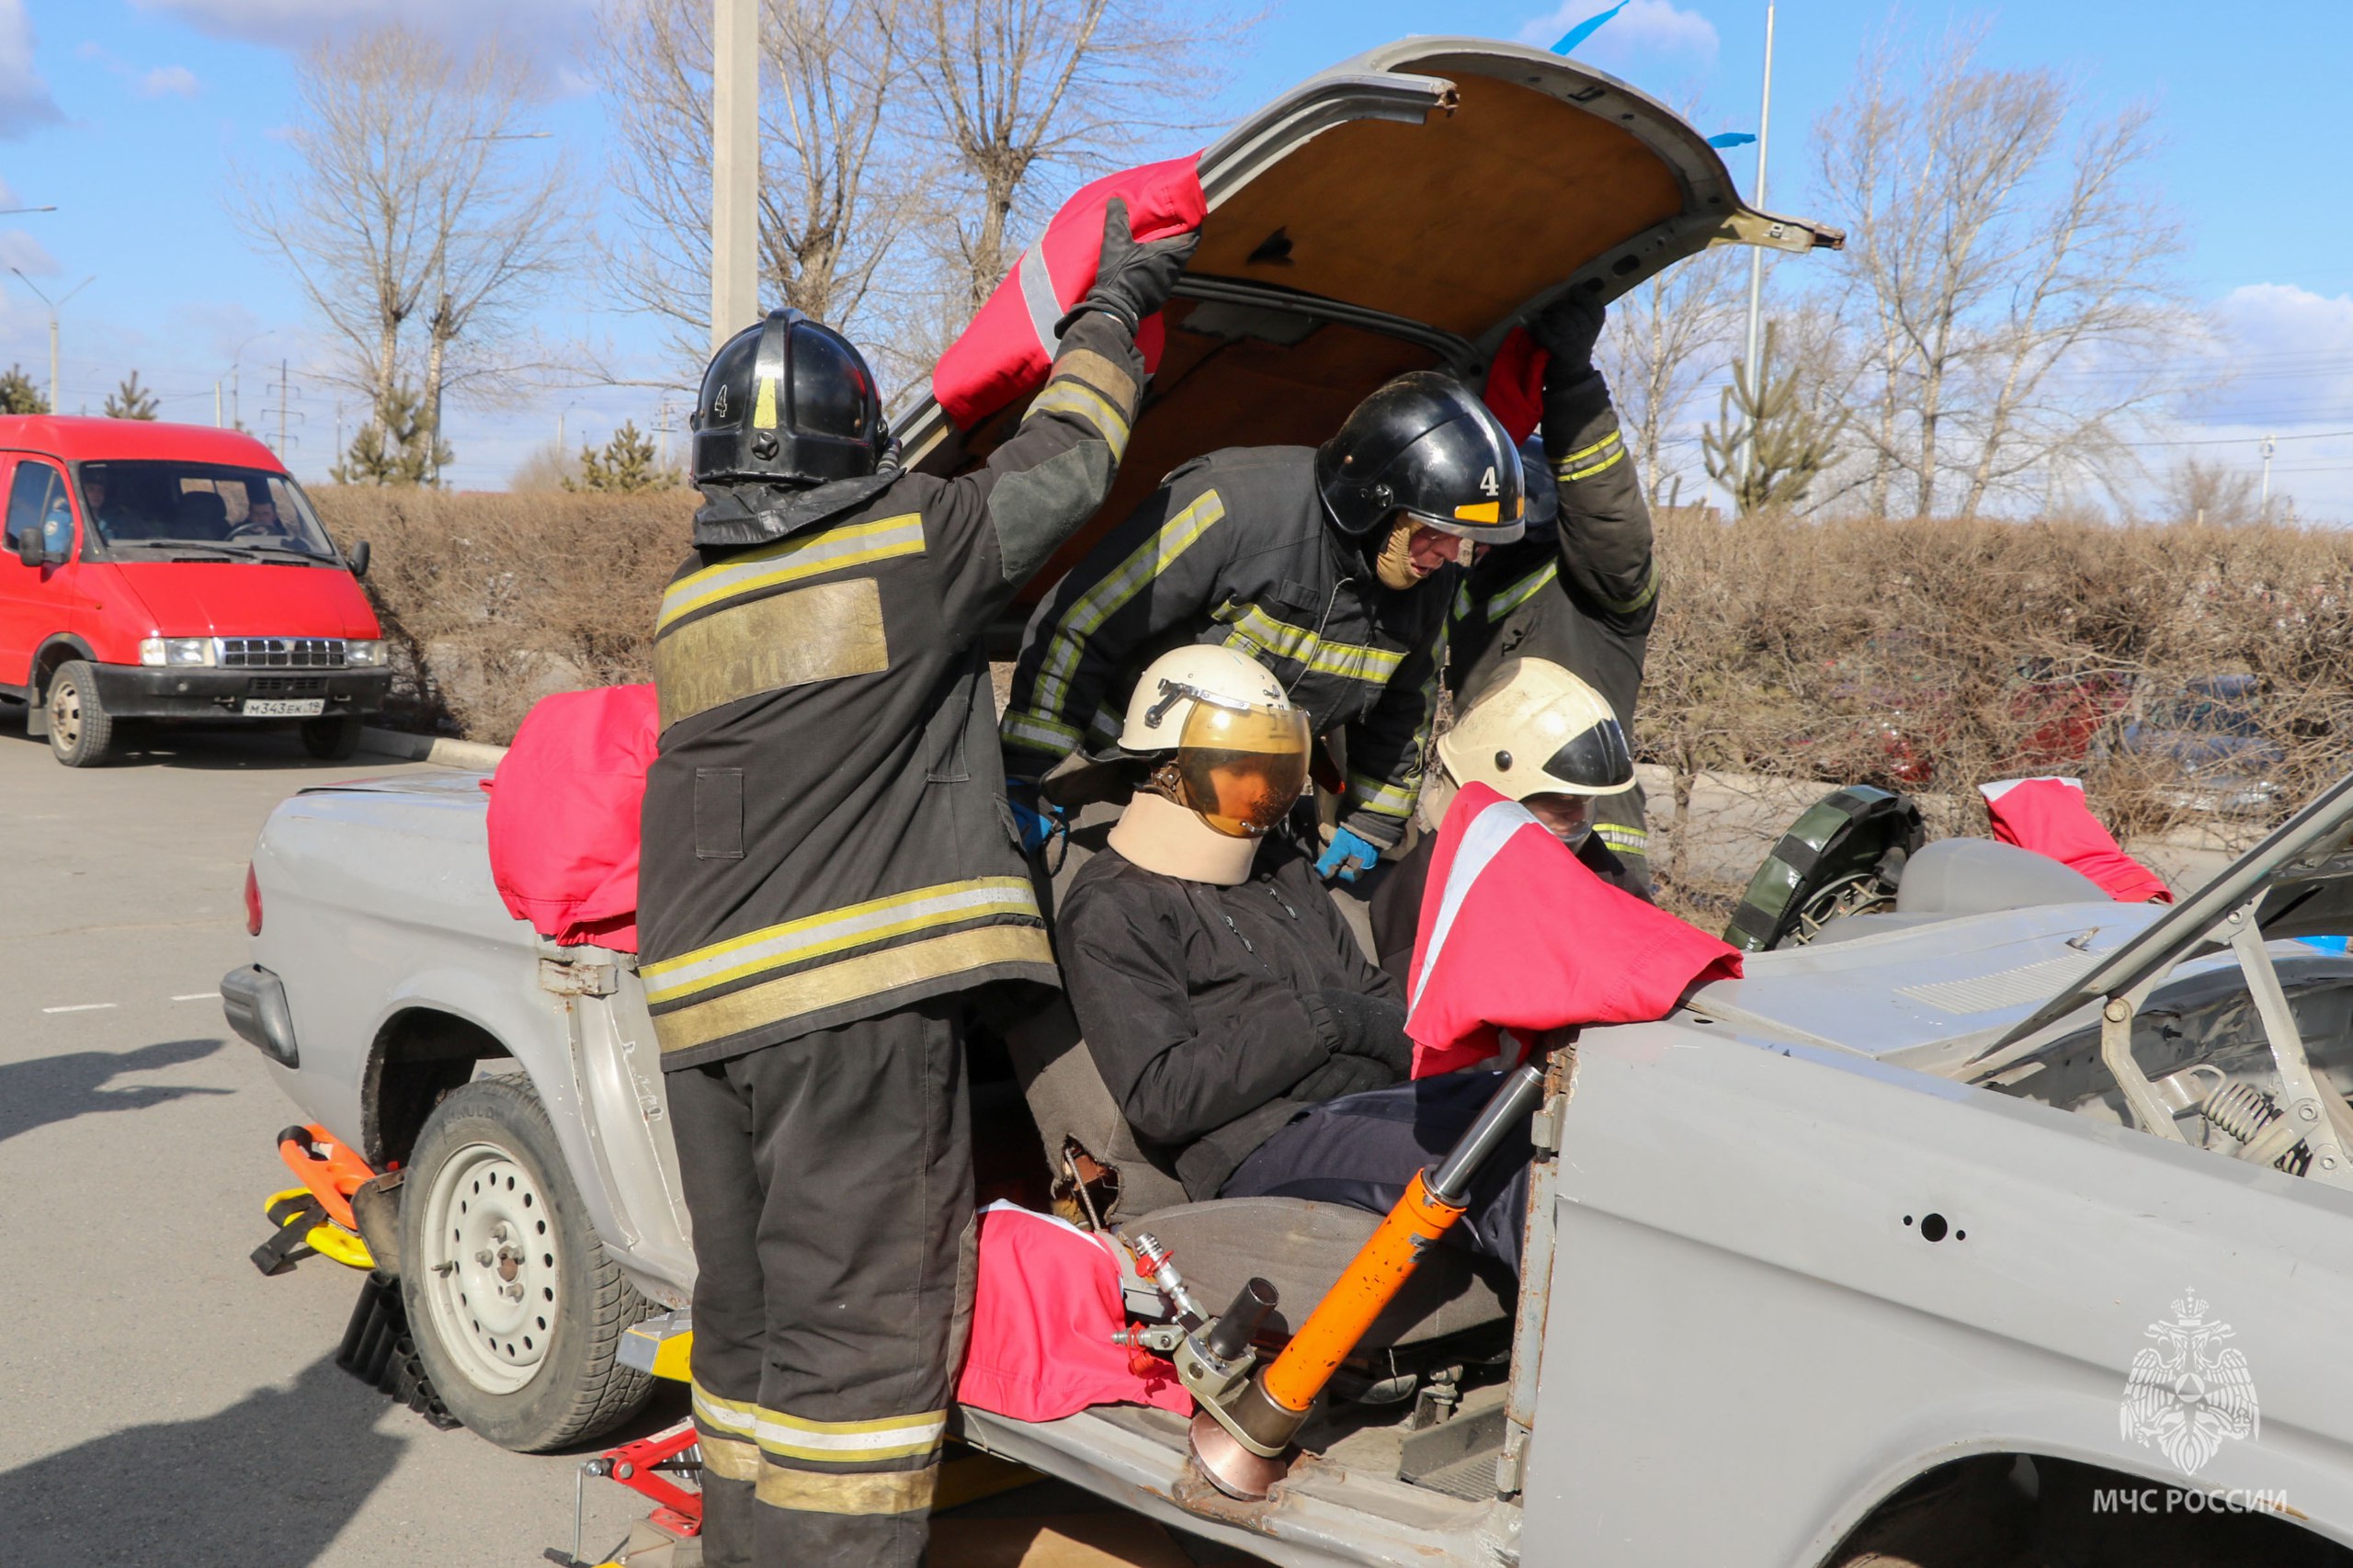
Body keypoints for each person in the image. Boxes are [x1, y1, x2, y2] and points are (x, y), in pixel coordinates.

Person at [635, 199, 1198, 1568]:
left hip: (704, 1024)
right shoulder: (910, 546)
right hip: (848, 1019)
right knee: (861, 1353)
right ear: (860, 452)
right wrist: (1114, 310)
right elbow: (1071, 465)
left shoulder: (687, 606)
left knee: (755, 1331)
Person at [1054, 643, 1535, 1273]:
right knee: (1511, 1180)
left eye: (1275, 771)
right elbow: (1162, 1095)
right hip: (1260, 1146)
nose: (1263, 794)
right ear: (1168, 770)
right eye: (1241, 770)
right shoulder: (1113, 905)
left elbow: (1386, 1008)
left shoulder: (1278, 865)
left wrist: (1350, 1041)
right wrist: (1323, 1025)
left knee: (1549, 1129)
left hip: (1370, 1101)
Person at [999, 370, 1527, 884]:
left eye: (1466, 544)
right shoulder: (1230, 506)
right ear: (1377, 498)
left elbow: (1406, 705)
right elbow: (1083, 621)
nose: (1448, 557)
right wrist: (1032, 771)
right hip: (1110, 773)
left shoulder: (1426, 576)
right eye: (1436, 533)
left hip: (1248, 805)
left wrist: (1373, 822)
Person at [1449, 292, 1659, 892]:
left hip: (1591, 862)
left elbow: (1608, 521)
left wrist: (1573, 384)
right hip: (1497, 843)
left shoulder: (1596, 596)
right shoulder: (1467, 593)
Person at [1368, 656, 1640, 989]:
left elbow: (1649, 942)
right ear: (1499, 796)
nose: (1580, 817)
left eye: (1585, 802)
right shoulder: (1430, 900)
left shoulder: (1595, 866)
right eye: (1562, 803)